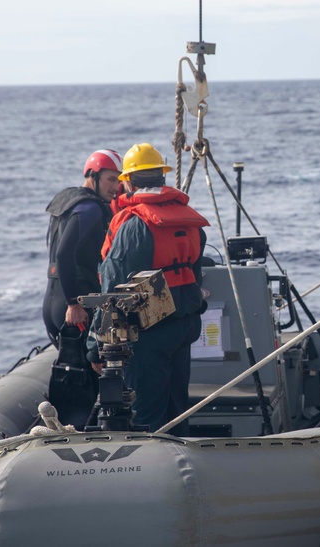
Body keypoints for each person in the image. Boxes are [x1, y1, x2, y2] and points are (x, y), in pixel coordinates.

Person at [88, 143, 210, 435]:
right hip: (183, 326)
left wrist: (95, 349)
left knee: (147, 415)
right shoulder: (189, 220)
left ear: (127, 181)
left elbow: (113, 291)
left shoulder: (134, 225)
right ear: (162, 178)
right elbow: (194, 274)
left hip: (148, 334)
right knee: (177, 409)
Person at [43, 149, 123, 345]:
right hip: (75, 306)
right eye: (111, 179)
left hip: (51, 300)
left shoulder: (68, 200)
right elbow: (63, 254)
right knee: (93, 371)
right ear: (93, 176)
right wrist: (73, 304)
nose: (116, 187)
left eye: (119, 181)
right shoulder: (90, 209)